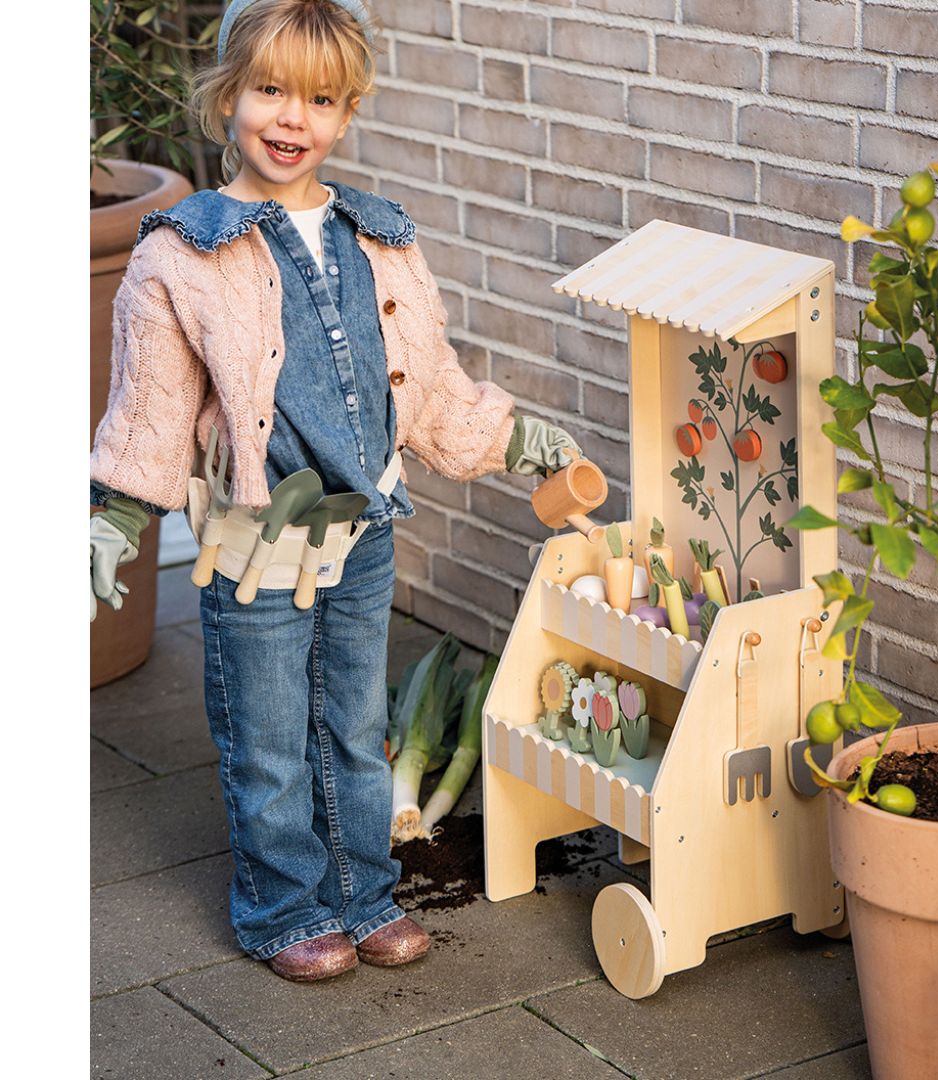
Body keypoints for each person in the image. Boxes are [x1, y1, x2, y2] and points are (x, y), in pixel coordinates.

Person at [89, 0, 581, 983]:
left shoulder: (380, 236)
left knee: (355, 726)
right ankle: (282, 907)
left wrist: (517, 438)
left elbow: (428, 384)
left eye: (318, 99)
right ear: (227, 95)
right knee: (268, 735)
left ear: (348, 112)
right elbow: (152, 405)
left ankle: (362, 892)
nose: (291, 117)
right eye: (269, 89)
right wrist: (115, 519)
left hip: (363, 535)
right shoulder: (180, 253)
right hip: (256, 543)